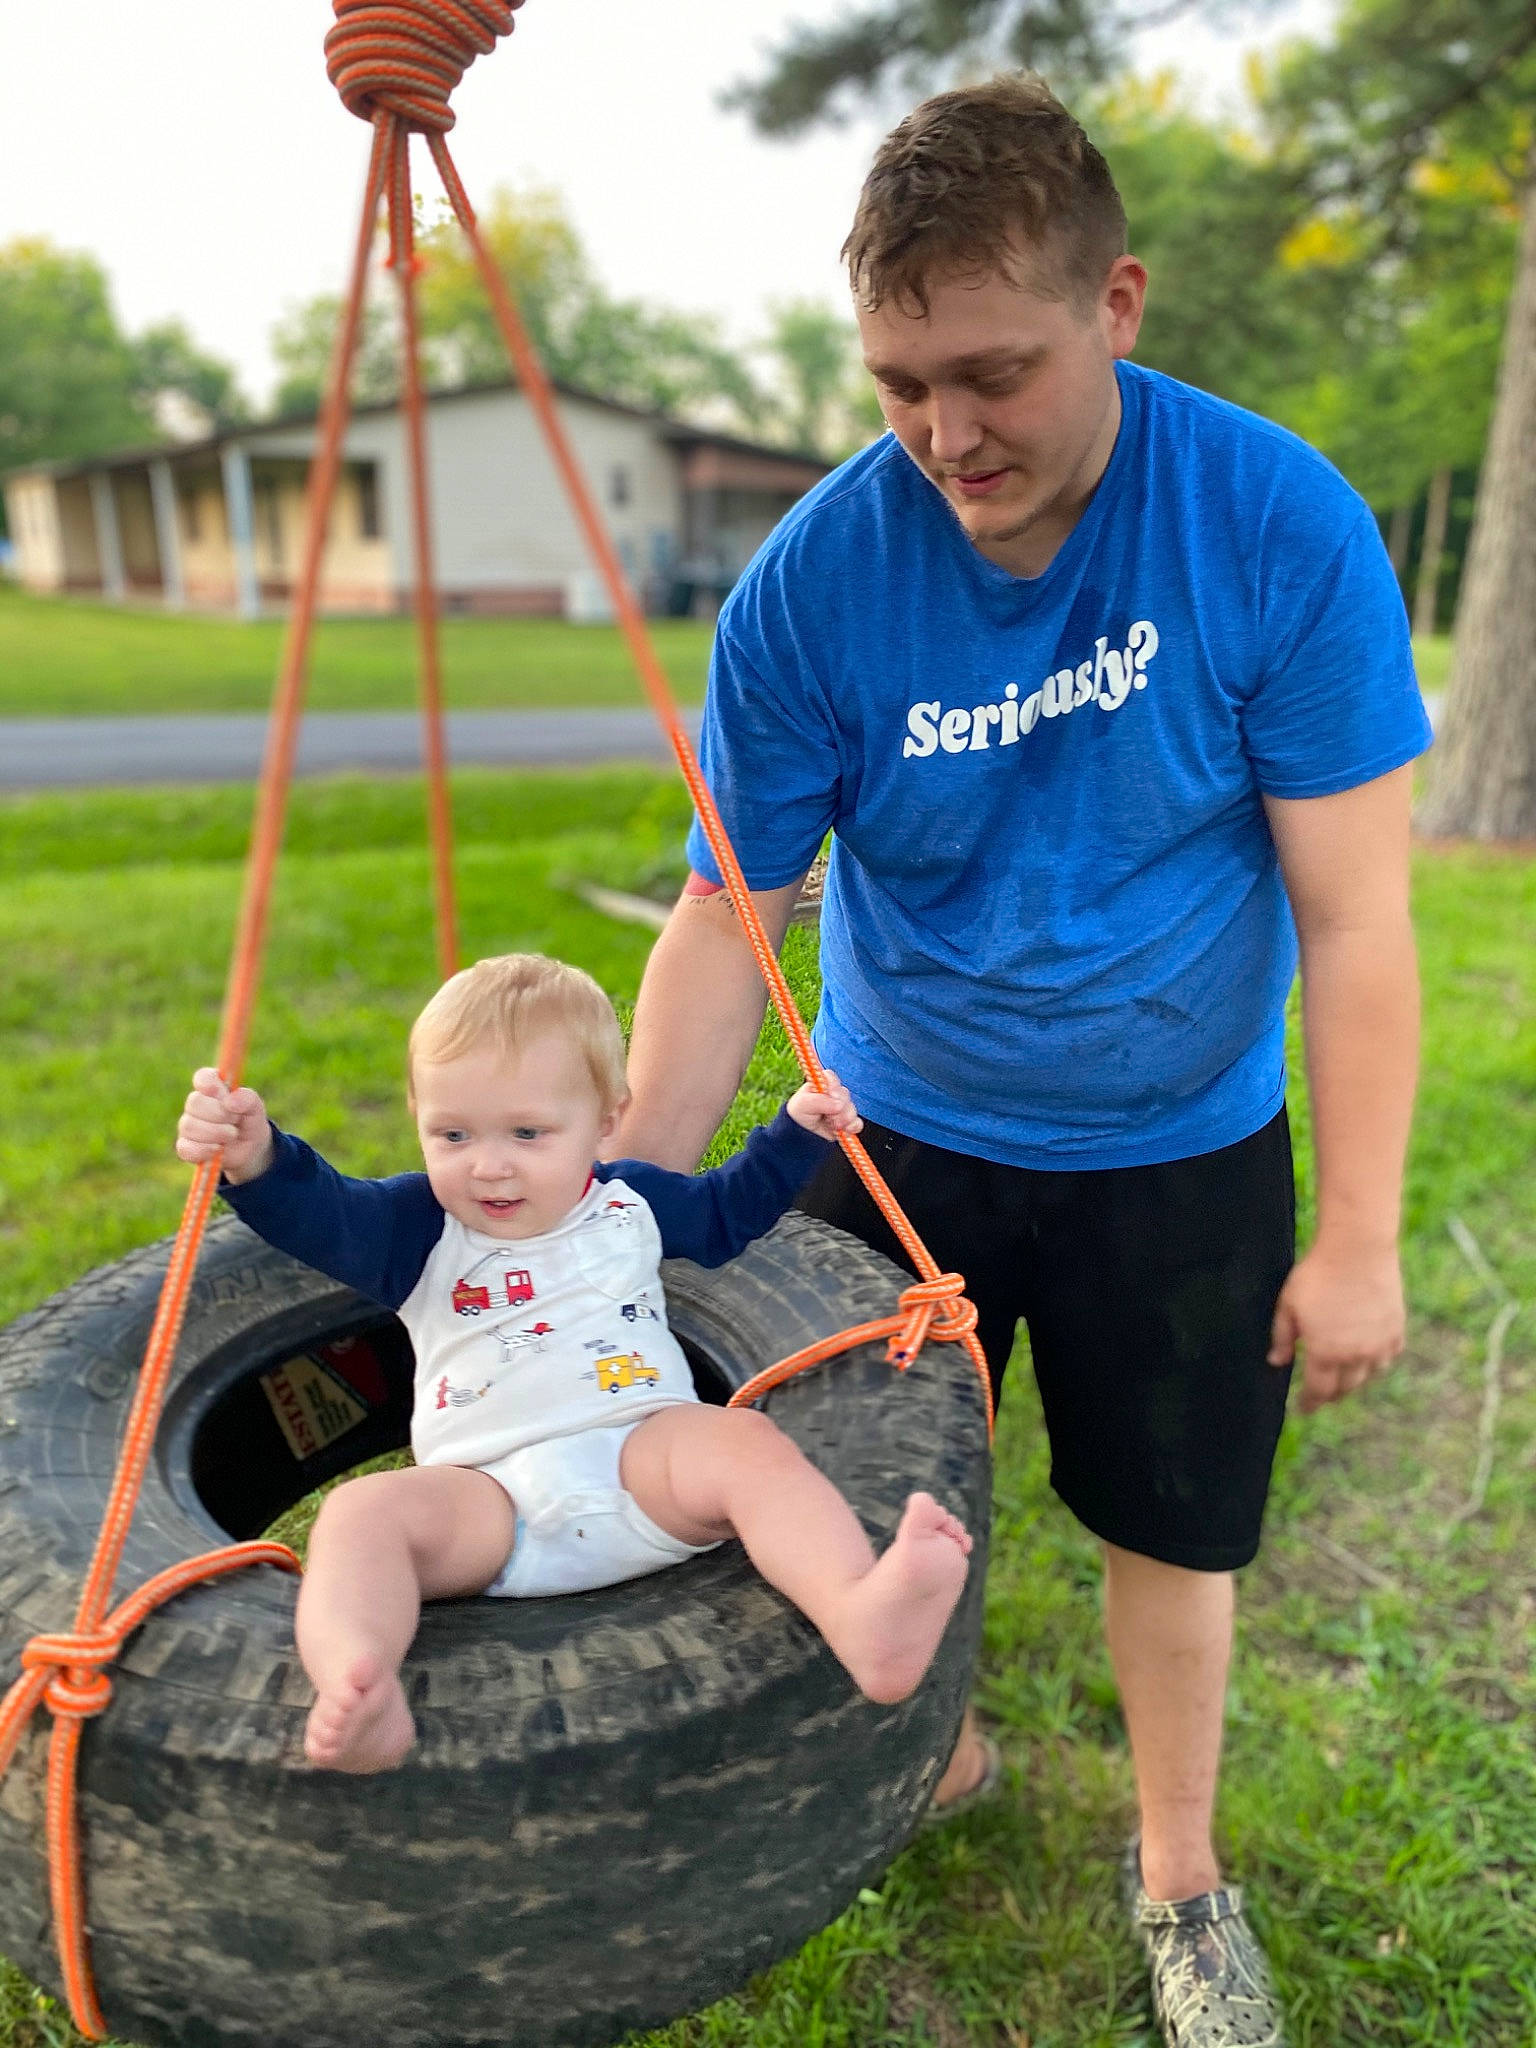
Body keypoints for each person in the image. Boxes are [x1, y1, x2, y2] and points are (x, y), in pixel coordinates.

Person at [614, 74, 1431, 2048]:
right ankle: (936, 1751)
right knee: (846, 1489)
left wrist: (1366, 1233)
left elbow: (1358, 917)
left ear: (1118, 303)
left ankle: (1177, 1874)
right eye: (898, 381)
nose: (944, 434)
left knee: (1173, 1521)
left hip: (1180, 1141)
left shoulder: (1274, 523)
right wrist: (632, 1188)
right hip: (898, 1138)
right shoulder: (818, 576)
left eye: (992, 373)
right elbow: (738, 908)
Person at [175, 953, 972, 1776]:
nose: (488, 1164)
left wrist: (795, 1133)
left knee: (743, 1447)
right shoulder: (416, 1231)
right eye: (453, 1134)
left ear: (603, 1122)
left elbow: (730, 1213)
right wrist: (258, 1155)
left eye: (527, 1133)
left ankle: (862, 1618)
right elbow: (321, 1213)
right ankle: (358, 1680)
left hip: (641, 1462)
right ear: (418, 1120)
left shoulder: (631, 1204)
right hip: (489, 1503)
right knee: (362, 1518)